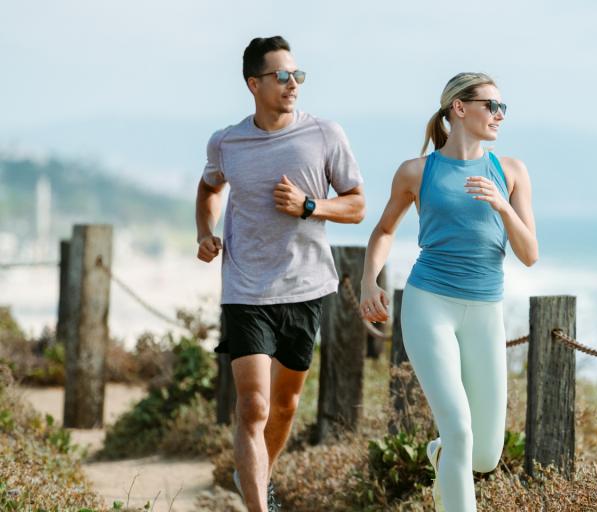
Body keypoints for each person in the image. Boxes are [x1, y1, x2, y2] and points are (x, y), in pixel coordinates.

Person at [195, 35, 365, 512]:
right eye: (282, 76)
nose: (293, 85)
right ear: (254, 83)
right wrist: (205, 232)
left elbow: (357, 206)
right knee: (254, 407)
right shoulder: (227, 142)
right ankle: (257, 507)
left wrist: (310, 206)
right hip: (245, 287)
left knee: (286, 407)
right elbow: (209, 189)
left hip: (305, 287)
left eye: (298, 76)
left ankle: (256, 475)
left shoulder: (325, 134)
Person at [359, 72, 538, 511]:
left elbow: (529, 253)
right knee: (458, 427)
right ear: (459, 108)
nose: (499, 115)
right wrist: (370, 280)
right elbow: (383, 230)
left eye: (503, 108)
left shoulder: (510, 171)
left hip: (485, 311)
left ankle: (440, 454)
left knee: (484, 453)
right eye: (490, 106)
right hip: (429, 305)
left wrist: (501, 204)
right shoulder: (417, 171)